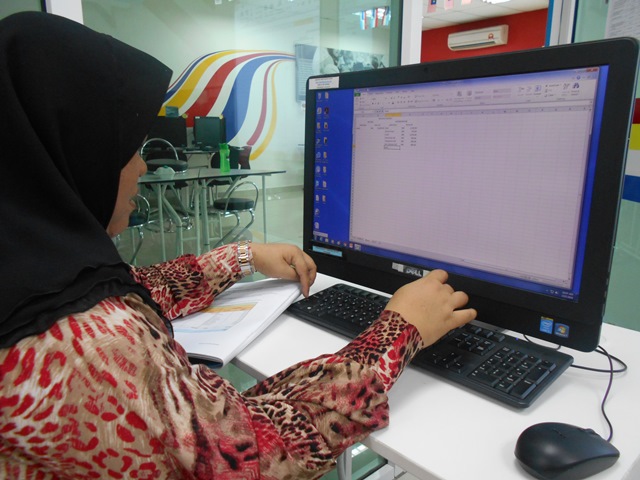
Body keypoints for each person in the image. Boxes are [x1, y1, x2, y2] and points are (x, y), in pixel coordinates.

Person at [0, 12, 477, 479]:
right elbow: (253, 457)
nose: (141, 168)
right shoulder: (82, 345)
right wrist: (397, 331)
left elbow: (136, 285)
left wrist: (243, 256)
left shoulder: (33, 277)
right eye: (128, 149)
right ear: (77, 149)